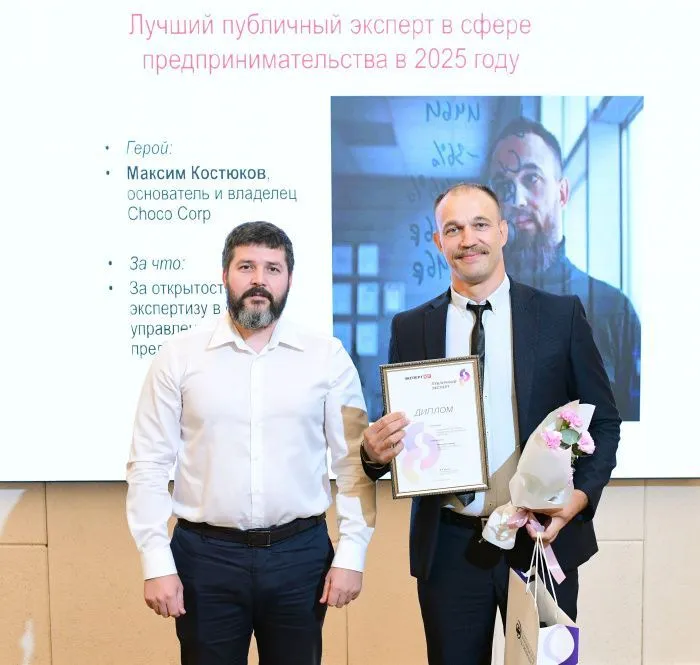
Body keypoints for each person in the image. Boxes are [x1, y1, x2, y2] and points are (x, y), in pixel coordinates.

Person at [360, 183, 620, 665]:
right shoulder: (410, 327)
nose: (468, 239)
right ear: (438, 242)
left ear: (502, 232)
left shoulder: (559, 316)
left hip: (540, 538)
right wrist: (374, 456)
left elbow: (604, 424)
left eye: (480, 225)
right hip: (451, 548)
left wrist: (579, 499)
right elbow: (399, 440)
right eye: (453, 229)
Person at [126, 221, 376, 665]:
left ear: (289, 279)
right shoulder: (179, 357)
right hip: (205, 559)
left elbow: (352, 464)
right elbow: (148, 464)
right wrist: (156, 561)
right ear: (225, 275)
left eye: (272, 268)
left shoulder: (328, 357)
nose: (259, 280)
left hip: (300, 557)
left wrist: (352, 553)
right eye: (246, 267)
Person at [486, 116, 641, 421]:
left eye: (532, 179)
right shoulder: (470, 311)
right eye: (503, 186)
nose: (517, 200)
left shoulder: (614, 310)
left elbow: (639, 431)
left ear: (562, 193)